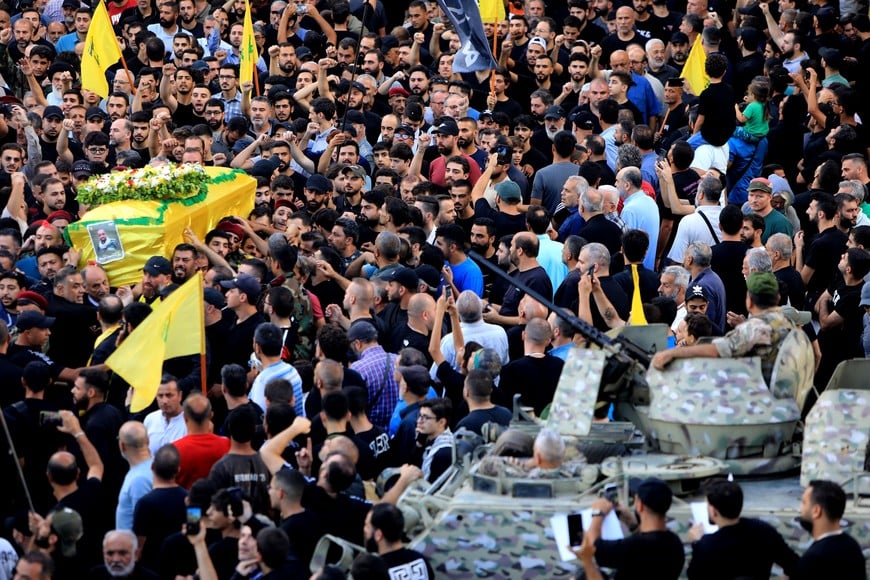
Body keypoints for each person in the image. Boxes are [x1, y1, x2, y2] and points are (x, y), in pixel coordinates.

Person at [652, 272, 797, 386]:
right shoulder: (790, 324)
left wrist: (673, 354)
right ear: (777, 298)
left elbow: (717, 350)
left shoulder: (754, 328)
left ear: (749, 301)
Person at [573, 477, 684, 579]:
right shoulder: (675, 543)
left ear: (639, 505)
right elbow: (649, 542)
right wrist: (632, 524)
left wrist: (598, 514)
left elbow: (593, 546)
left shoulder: (631, 547)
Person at [687, 479, 799, 579]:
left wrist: (696, 543)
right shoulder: (764, 530)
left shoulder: (706, 545)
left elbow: (694, 575)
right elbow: (794, 564)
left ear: (713, 511)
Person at [793, 480, 865, 579]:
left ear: (816, 511)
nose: (800, 509)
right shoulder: (852, 546)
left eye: (804, 503)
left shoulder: (813, 559)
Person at [364, 504, 434, 578]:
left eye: (367, 526)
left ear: (378, 535)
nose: (364, 529)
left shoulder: (374, 572)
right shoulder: (420, 559)